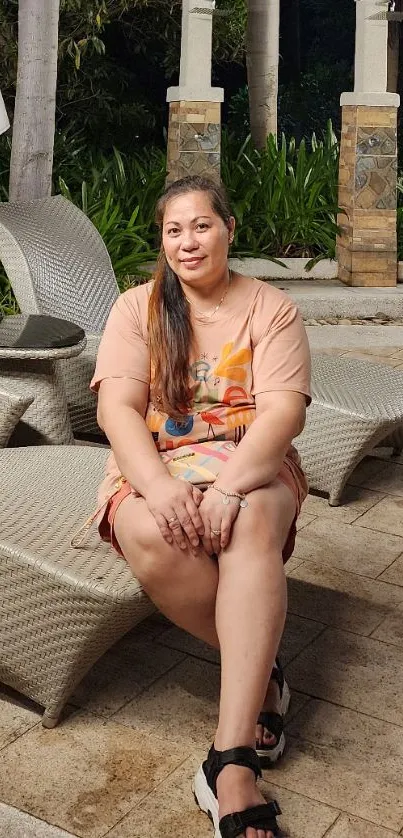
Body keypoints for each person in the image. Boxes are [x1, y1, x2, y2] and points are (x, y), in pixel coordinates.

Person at [89, 175, 311, 838]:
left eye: (201, 225)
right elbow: (117, 408)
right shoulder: (138, 309)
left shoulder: (269, 308)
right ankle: (262, 671)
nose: (188, 241)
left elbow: (282, 414)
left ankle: (230, 762)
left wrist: (229, 489)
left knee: (245, 524)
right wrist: (158, 488)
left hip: (247, 464)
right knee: (151, 535)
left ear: (228, 229)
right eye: (173, 230)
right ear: (162, 241)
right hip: (156, 463)